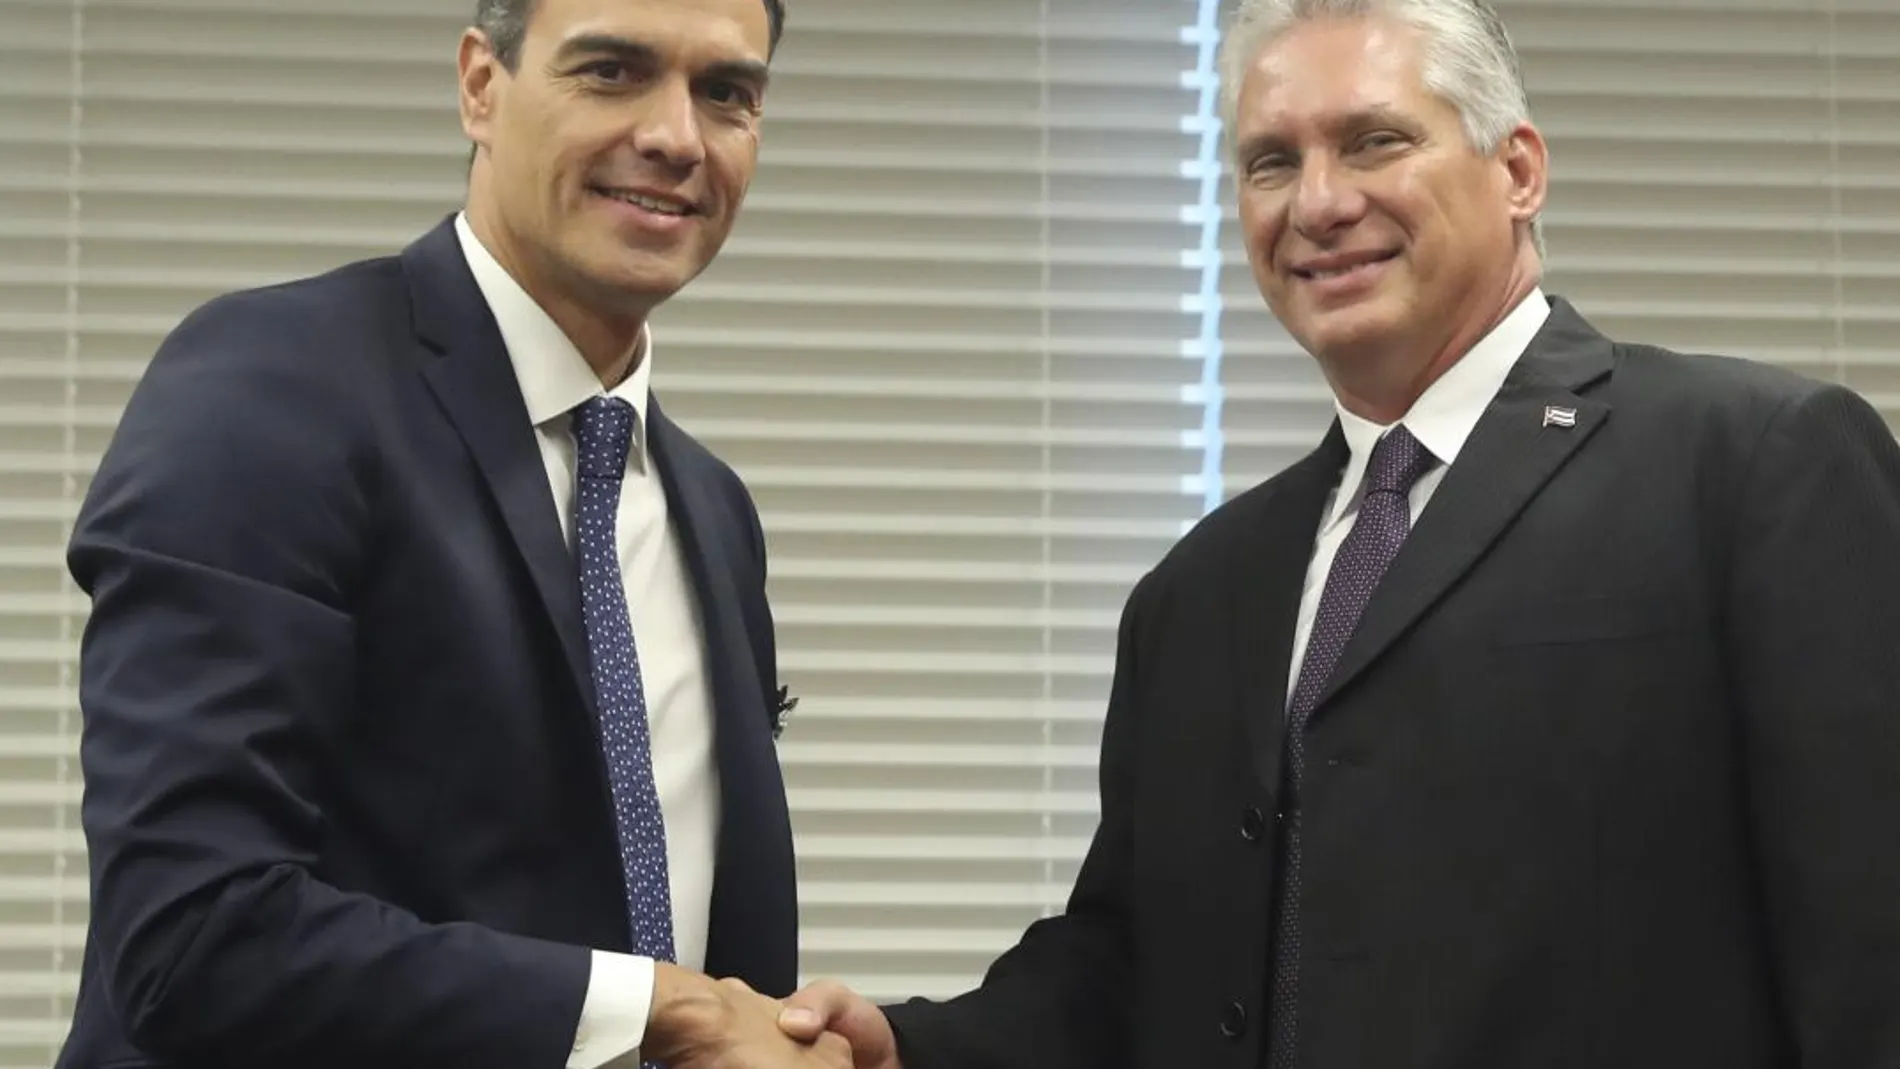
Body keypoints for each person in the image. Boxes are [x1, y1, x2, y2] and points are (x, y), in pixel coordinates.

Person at [777, 0, 1900, 1067]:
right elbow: (1134, 966)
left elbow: (1869, 959)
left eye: (1372, 142)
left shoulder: (1755, 467)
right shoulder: (1197, 591)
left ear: (1517, 171)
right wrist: (905, 1044)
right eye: (1271, 160)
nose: (1315, 203)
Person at [54, 0, 847, 1067]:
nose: (675, 136)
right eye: (611, 71)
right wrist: (666, 1008)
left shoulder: (712, 509)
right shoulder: (271, 389)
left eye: (726, 92)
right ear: (481, 84)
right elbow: (194, 932)